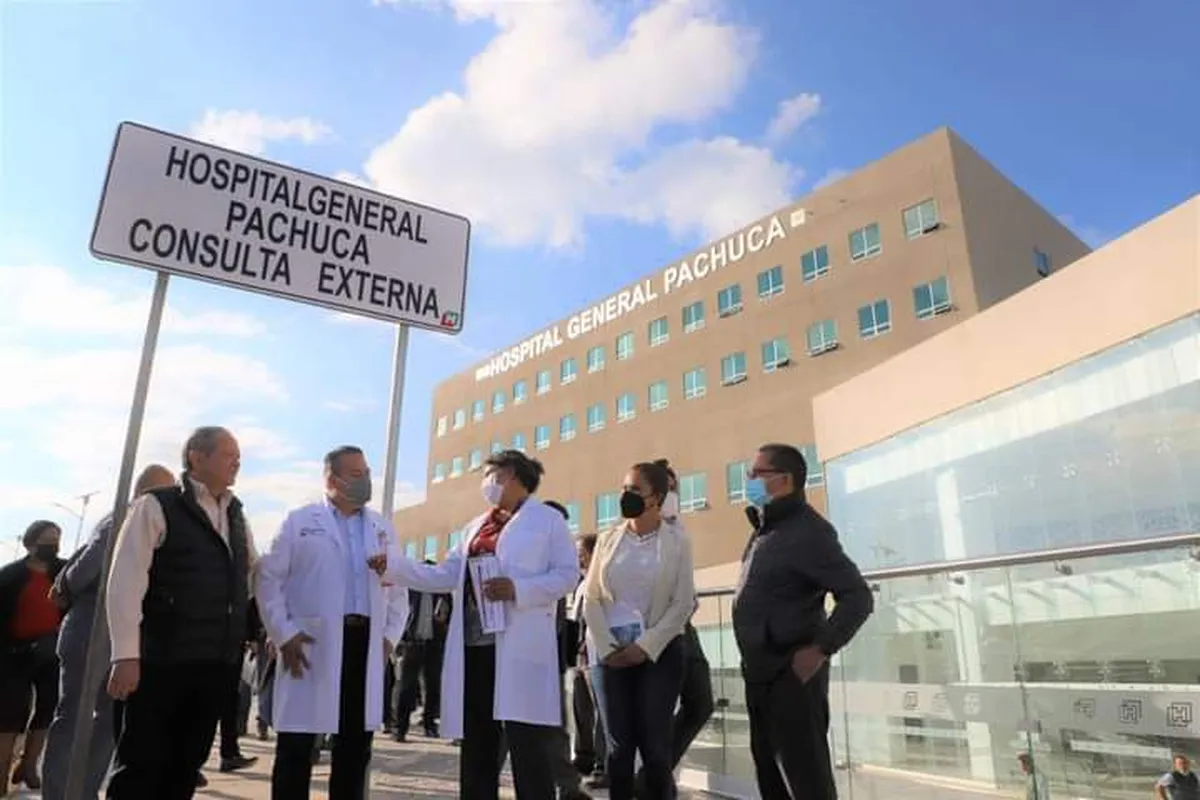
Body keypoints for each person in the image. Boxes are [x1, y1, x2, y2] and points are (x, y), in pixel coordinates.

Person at [383, 449, 578, 800]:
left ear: (516, 476)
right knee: (478, 744)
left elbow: (567, 575)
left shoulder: (547, 520)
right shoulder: (475, 527)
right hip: (475, 646)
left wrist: (518, 588)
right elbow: (445, 573)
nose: (487, 484)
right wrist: (394, 567)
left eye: (494, 475)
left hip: (519, 645)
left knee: (527, 744)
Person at [105, 425, 259, 799]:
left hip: (216, 664)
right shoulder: (157, 506)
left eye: (239, 456)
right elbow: (125, 582)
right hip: (162, 661)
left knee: (184, 769)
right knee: (141, 766)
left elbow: (254, 577)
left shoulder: (236, 516)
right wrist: (126, 654)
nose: (236, 462)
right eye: (228, 454)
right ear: (196, 456)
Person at [255, 445, 408, 800]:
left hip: (364, 644)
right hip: (309, 643)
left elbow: (399, 589)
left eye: (366, 472)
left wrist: (388, 638)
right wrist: (283, 632)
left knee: (355, 749)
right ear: (331, 478)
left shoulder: (381, 528)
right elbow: (268, 580)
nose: (365, 480)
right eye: (356, 474)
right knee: (297, 746)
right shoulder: (300, 521)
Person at [733, 443, 873, 800]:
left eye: (755, 474)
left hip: (791, 677)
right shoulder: (765, 528)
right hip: (759, 673)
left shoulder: (809, 532)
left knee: (806, 781)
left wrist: (820, 649)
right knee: (771, 777)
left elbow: (858, 596)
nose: (748, 480)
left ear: (784, 480)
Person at [42, 464, 175, 800]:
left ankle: (82, 792)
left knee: (108, 722)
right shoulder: (125, 517)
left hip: (120, 637)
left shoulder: (151, 523)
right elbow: (86, 569)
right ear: (145, 492)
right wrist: (67, 588)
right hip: (91, 629)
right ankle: (61, 793)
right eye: (165, 491)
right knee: (76, 716)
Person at [582, 460, 695, 800]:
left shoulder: (677, 542)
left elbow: (683, 603)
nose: (625, 495)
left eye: (634, 490)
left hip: (658, 653)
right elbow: (591, 597)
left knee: (655, 747)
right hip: (610, 653)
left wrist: (644, 647)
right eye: (623, 488)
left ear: (656, 498)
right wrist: (607, 647)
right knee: (618, 748)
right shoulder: (608, 539)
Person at [636, 462, 713, 799]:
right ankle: (655, 784)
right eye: (665, 488)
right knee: (658, 709)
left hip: (683, 624)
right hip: (654, 629)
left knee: (701, 703)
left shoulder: (678, 527)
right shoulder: (638, 530)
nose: (672, 495)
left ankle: (652, 777)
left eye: (674, 488)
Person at [0, 519, 67, 793]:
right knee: (10, 717)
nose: (52, 546)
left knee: (47, 710)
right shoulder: (10, 575)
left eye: (56, 540)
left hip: (51, 652)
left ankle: (28, 765)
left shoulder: (63, 571)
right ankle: (1, 772)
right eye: (47, 540)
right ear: (30, 544)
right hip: (13, 654)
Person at [541, 500, 592, 800]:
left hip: (550, 658)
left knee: (555, 726)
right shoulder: (533, 561)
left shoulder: (559, 565)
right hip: (525, 658)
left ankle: (568, 788)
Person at [566, 533, 607, 788]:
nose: (579, 557)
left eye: (582, 552)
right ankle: (584, 757)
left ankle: (604, 767)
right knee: (580, 709)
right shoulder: (580, 583)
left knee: (602, 712)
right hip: (579, 657)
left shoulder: (603, 579)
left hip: (597, 654)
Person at [392, 562, 450, 742]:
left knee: (433, 686)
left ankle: (430, 725)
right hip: (413, 643)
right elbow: (402, 612)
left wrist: (444, 617)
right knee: (407, 687)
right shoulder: (411, 589)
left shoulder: (442, 590)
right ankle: (400, 728)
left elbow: (450, 612)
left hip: (434, 644)